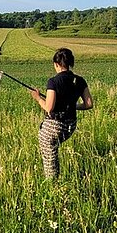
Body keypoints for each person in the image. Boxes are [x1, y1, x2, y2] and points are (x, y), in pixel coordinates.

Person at [30, 48, 93, 178]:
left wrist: (38, 98)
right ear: (70, 63)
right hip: (70, 125)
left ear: (56, 64)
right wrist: (72, 106)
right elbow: (88, 104)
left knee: (49, 156)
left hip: (54, 126)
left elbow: (49, 108)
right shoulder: (80, 80)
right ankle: (55, 178)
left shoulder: (53, 82)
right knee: (53, 150)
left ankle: (52, 182)